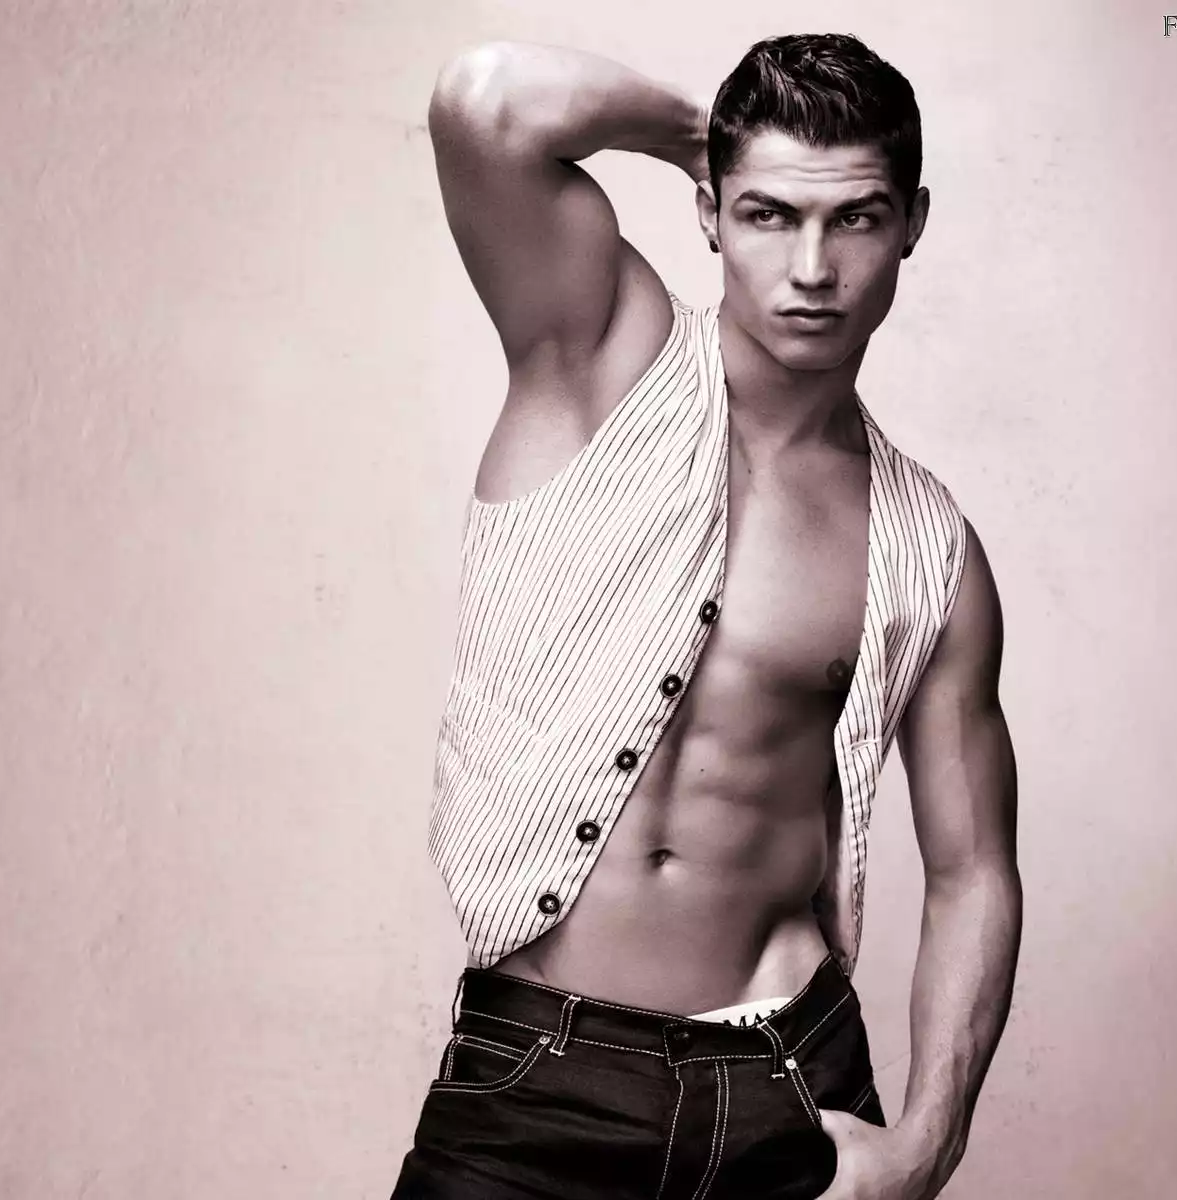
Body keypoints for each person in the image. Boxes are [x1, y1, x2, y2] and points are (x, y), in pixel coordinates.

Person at [392, 33, 1022, 1200]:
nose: (813, 267)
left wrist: (926, 1148)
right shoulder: (598, 357)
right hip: (537, 1079)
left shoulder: (931, 550)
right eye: (770, 214)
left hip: (791, 1084)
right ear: (710, 214)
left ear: (913, 223)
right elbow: (484, 103)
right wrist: (709, 138)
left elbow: (973, 868)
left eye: (855, 217)